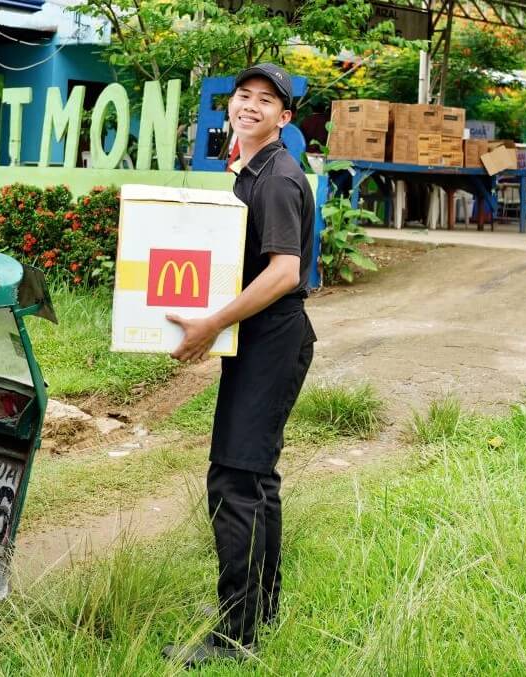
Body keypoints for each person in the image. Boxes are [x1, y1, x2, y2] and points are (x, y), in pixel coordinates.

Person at [161, 63, 316, 667]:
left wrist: (214, 323)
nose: (250, 106)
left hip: (272, 339)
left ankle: (234, 638)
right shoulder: (247, 170)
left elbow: (284, 272)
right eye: (242, 97)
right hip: (262, 339)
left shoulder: (276, 177)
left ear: (284, 117)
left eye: (265, 100)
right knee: (255, 479)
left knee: (235, 482)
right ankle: (258, 614)